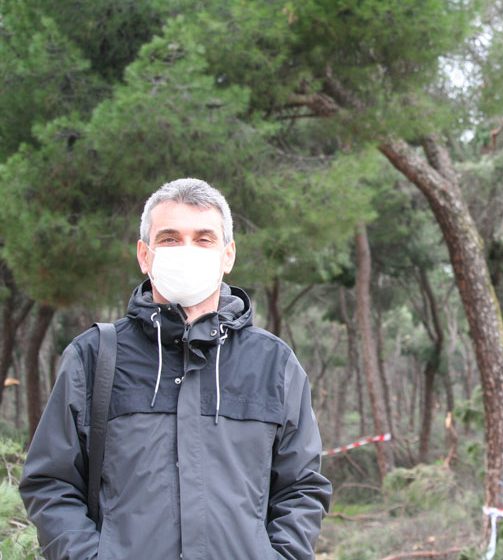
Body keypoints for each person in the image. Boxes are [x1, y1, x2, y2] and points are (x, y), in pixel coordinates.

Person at [20, 178, 332, 560]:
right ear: (144, 254)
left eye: (204, 239)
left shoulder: (273, 363)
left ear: (228, 255)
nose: (187, 250)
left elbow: (301, 487)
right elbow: (51, 482)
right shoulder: (93, 357)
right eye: (169, 239)